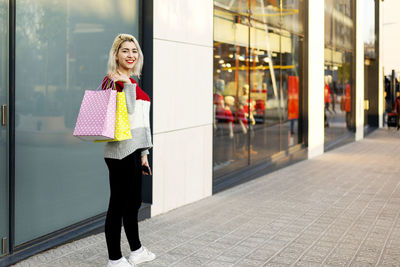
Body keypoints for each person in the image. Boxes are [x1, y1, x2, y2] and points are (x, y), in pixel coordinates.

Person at [101, 33, 155, 267]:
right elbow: (130, 113)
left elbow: (141, 123)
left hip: (134, 151)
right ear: (116, 54)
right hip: (119, 151)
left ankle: (137, 250)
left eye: (134, 51)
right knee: (118, 204)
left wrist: (144, 154)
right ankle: (114, 258)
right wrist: (124, 85)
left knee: (132, 204)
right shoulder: (112, 80)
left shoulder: (131, 80)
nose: (131, 55)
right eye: (125, 51)